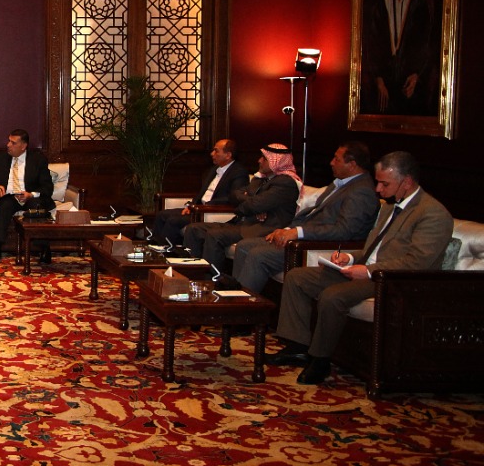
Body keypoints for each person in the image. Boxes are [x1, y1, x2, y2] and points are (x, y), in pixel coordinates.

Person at [269, 151, 453, 385]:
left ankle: (320, 360)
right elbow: (373, 247)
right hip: (366, 270)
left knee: (333, 296)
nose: (378, 189)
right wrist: (348, 257)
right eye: (378, 182)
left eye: (384, 184)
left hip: (393, 282)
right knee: (297, 278)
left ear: (407, 181)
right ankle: (298, 346)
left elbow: (417, 263)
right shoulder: (390, 207)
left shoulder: (432, 214)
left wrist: (367, 271)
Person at [231, 142, 380, 293]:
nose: (331, 162)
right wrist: (287, 230)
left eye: (337, 159)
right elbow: (310, 214)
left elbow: (343, 231)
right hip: (302, 238)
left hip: (314, 245)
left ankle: (244, 302)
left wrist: (298, 233)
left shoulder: (361, 191)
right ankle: (233, 295)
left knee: (258, 254)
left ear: (352, 164)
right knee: (245, 246)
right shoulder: (340, 183)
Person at [182, 143, 300, 273]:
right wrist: (252, 204)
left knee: (214, 235)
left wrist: (250, 203)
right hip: (242, 222)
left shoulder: (285, 183)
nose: (259, 161)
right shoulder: (259, 179)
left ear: (277, 162)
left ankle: (211, 279)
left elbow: (254, 205)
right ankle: (190, 273)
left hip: (260, 228)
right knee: (194, 229)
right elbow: (234, 195)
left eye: (264, 158)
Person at [361, 0, 438, 116]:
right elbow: (372, 46)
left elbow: (427, 45)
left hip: (411, 87)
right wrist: (379, 81)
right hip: (385, 88)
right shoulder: (380, 7)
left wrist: (417, 75)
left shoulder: (421, 4)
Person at [152, 139, 249, 246]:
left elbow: (234, 197)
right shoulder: (214, 169)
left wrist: (203, 207)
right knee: (161, 215)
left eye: (216, 151)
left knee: (173, 221)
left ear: (228, 155)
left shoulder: (239, 172)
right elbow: (202, 193)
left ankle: (166, 251)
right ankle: (154, 248)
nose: (212, 154)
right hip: (198, 208)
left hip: (209, 211)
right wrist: (191, 205)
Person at [0, 129, 54, 264]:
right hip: (10, 197)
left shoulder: (38, 159)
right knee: (4, 206)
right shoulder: (1, 157)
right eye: (9, 141)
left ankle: (44, 248)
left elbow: (47, 186)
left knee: (37, 207)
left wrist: (30, 194)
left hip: (30, 197)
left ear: (23, 146)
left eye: (13, 143)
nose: (8, 145)